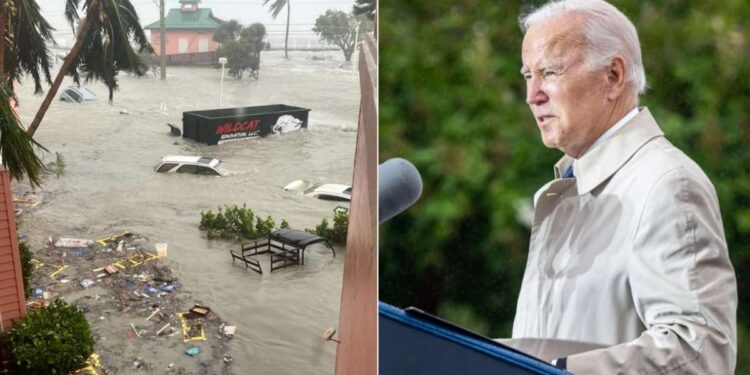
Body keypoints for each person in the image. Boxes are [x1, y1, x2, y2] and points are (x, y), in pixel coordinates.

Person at [512, 0, 738, 373]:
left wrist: (559, 369)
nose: (532, 94)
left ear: (613, 76)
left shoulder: (667, 184)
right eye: (527, 75)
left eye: (549, 72)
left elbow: (700, 352)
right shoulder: (567, 188)